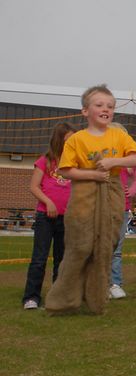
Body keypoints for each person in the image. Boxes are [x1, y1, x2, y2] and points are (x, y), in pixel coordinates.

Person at [45, 84, 136, 315]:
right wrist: (93, 174)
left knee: (105, 247)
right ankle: (63, 300)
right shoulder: (77, 140)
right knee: (80, 247)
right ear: (85, 111)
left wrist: (112, 163)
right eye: (99, 105)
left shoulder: (119, 136)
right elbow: (66, 170)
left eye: (110, 106)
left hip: (112, 194)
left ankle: (96, 298)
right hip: (84, 195)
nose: (105, 109)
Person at [22, 122, 77, 310]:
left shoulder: (75, 162)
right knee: (39, 258)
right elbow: (34, 187)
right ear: (59, 139)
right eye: (69, 139)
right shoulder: (45, 160)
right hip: (45, 218)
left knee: (62, 260)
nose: (72, 142)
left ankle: (58, 295)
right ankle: (31, 297)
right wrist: (49, 203)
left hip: (67, 219)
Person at [108, 122, 136, 300]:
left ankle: (115, 283)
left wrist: (132, 191)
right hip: (102, 208)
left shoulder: (128, 163)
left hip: (122, 209)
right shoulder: (104, 160)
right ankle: (96, 283)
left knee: (116, 248)